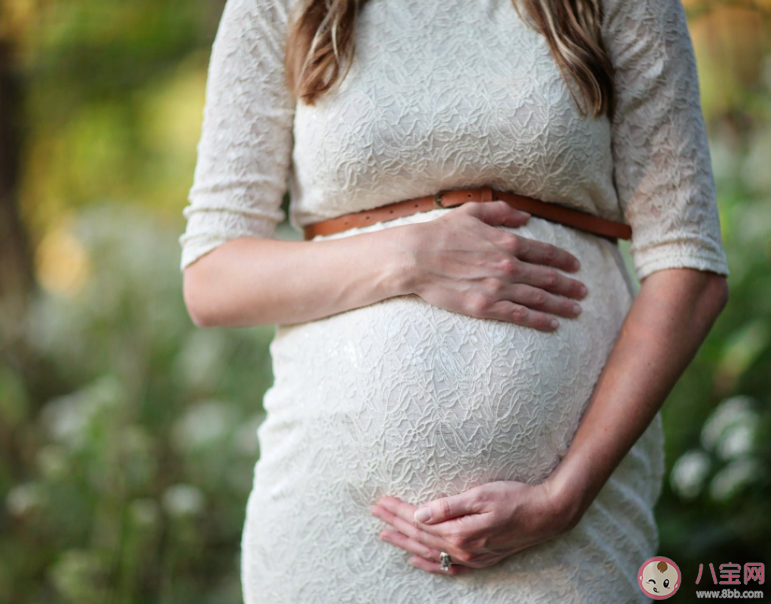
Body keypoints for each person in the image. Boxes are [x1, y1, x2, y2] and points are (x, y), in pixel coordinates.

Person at [178, 0, 730, 601]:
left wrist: (564, 497)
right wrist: (409, 258)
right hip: (332, 528)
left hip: (569, 535)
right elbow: (213, 276)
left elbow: (689, 265)